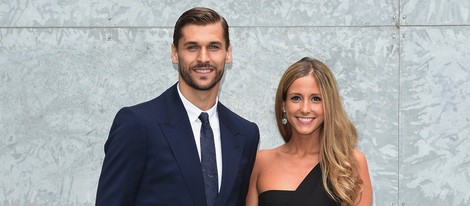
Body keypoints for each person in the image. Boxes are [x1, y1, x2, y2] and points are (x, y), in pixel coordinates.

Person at [96, 7, 260, 206]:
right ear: (175, 53)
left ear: (228, 53)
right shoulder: (137, 124)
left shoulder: (245, 133)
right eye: (192, 47)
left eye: (214, 47)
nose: (203, 58)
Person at [246, 57, 372, 206]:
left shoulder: (350, 163)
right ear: (283, 105)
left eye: (316, 99)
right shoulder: (260, 161)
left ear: (328, 105)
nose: (305, 109)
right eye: (296, 98)